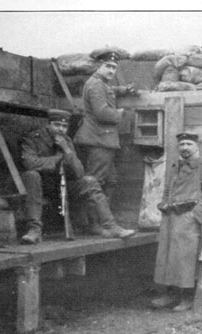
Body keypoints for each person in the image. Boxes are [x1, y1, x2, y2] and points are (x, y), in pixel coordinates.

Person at [19, 109, 134, 244]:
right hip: (41, 186)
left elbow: (79, 173)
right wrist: (57, 159)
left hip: (63, 186)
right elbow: (29, 163)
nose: (61, 129)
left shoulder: (66, 141)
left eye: (64, 126)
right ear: (48, 125)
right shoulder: (33, 139)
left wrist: (67, 151)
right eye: (57, 125)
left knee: (90, 181)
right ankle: (34, 230)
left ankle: (111, 226)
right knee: (31, 175)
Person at [151, 132, 202, 311]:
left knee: (185, 259)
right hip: (171, 218)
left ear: (197, 147)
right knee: (168, 257)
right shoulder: (175, 166)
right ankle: (170, 294)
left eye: (189, 144)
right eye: (181, 144)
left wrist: (196, 215)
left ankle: (187, 297)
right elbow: (168, 189)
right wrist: (164, 205)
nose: (184, 147)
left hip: (189, 219)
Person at [72, 49, 135, 233]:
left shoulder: (100, 84)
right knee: (95, 183)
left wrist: (123, 90)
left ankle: (98, 222)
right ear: (98, 66)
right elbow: (101, 112)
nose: (111, 70)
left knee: (111, 180)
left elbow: (108, 91)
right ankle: (95, 224)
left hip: (103, 139)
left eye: (114, 67)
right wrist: (119, 115)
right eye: (107, 66)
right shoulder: (95, 85)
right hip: (98, 140)